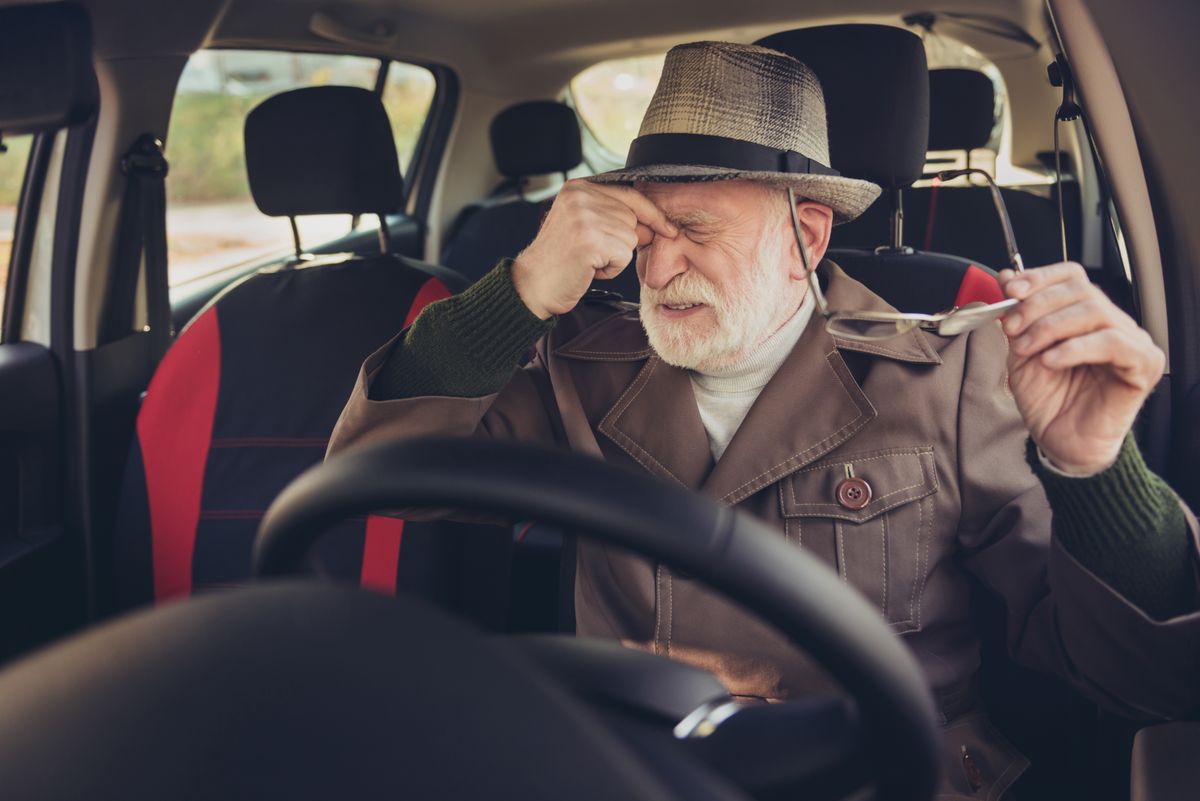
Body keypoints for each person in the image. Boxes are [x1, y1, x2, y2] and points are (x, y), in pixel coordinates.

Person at [328, 41, 1199, 797]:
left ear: (807, 237)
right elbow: (380, 468)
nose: (659, 266)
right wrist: (516, 293)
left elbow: (1140, 673)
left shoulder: (951, 371)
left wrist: (1098, 468)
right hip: (635, 771)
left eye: (696, 228)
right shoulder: (584, 364)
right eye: (642, 230)